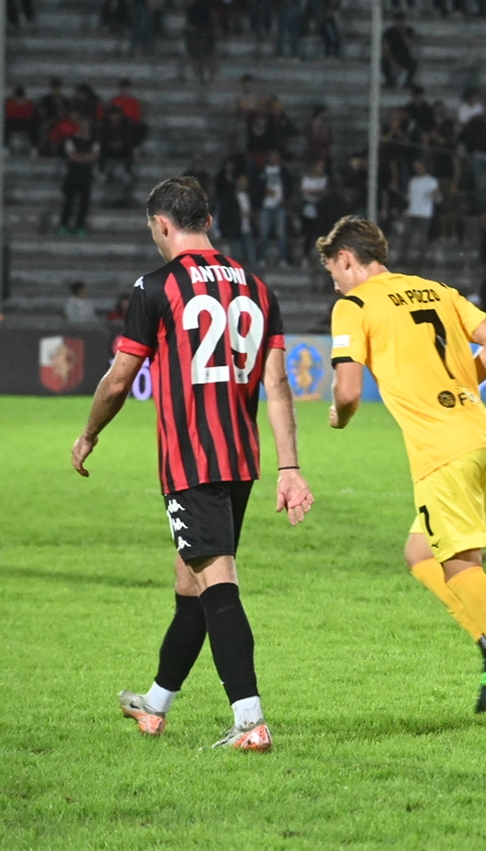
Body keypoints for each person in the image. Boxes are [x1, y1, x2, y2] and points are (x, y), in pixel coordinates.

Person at [72, 176, 314, 751]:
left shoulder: (155, 286)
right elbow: (277, 384)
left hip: (191, 461)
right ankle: (155, 706)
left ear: (162, 224)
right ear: (206, 220)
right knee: (193, 584)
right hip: (240, 461)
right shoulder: (258, 287)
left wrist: (88, 433)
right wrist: (288, 467)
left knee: (217, 583)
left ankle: (250, 723)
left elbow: (119, 379)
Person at [323, 217, 486, 717]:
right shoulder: (435, 290)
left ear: (346, 259)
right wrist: (460, 388)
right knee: (420, 553)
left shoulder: (354, 305)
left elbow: (347, 392)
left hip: (443, 452)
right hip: (484, 440)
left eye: (334, 272)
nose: (335, 283)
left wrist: (339, 417)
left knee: (460, 569)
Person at [58, 120, 99, 236]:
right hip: (72, 176)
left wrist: (79, 158)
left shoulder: (93, 141)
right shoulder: (71, 140)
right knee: (69, 202)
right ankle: (64, 225)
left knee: (83, 204)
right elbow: (72, 156)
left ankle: (80, 226)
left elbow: (94, 156)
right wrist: (86, 158)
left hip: (86, 176)